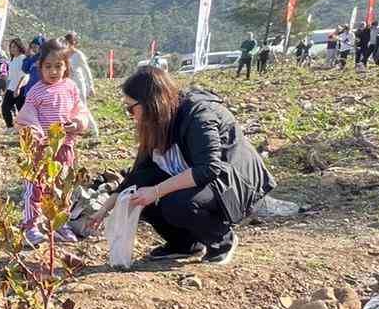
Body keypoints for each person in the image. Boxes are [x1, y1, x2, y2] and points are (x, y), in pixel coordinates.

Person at [88, 65, 273, 267]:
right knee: (139, 197)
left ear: (151, 103)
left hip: (232, 182)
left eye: (131, 108)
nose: (130, 114)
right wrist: (104, 209)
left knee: (175, 203)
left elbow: (209, 168)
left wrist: (157, 191)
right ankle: (184, 244)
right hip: (203, 178)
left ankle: (222, 241)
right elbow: (140, 172)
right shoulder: (159, 123)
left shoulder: (198, 115)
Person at [15, 39, 88, 246]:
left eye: (58, 66)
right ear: (40, 67)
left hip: (64, 148)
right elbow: (26, 116)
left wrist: (77, 123)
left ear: (66, 66)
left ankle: (60, 223)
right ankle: (31, 225)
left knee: (61, 186)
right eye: (48, 67)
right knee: (35, 186)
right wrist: (37, 134)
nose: (53, 71)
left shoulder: (71, 87)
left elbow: (79, 110)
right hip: (41, 149)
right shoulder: (35, 92)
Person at [0, 37, 31, 128]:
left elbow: (24, 75)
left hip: (21, 88)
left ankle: (26, 129)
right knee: (5, 108)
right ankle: (10, 127)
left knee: (21, 109)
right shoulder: (12, 60)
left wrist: (18, 88)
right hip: (11, 88)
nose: (12, 49)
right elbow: (10, 77)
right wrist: (6, 89)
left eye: (14, 47)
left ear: (19, 47)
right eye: (11, 47)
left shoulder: (23, 58)